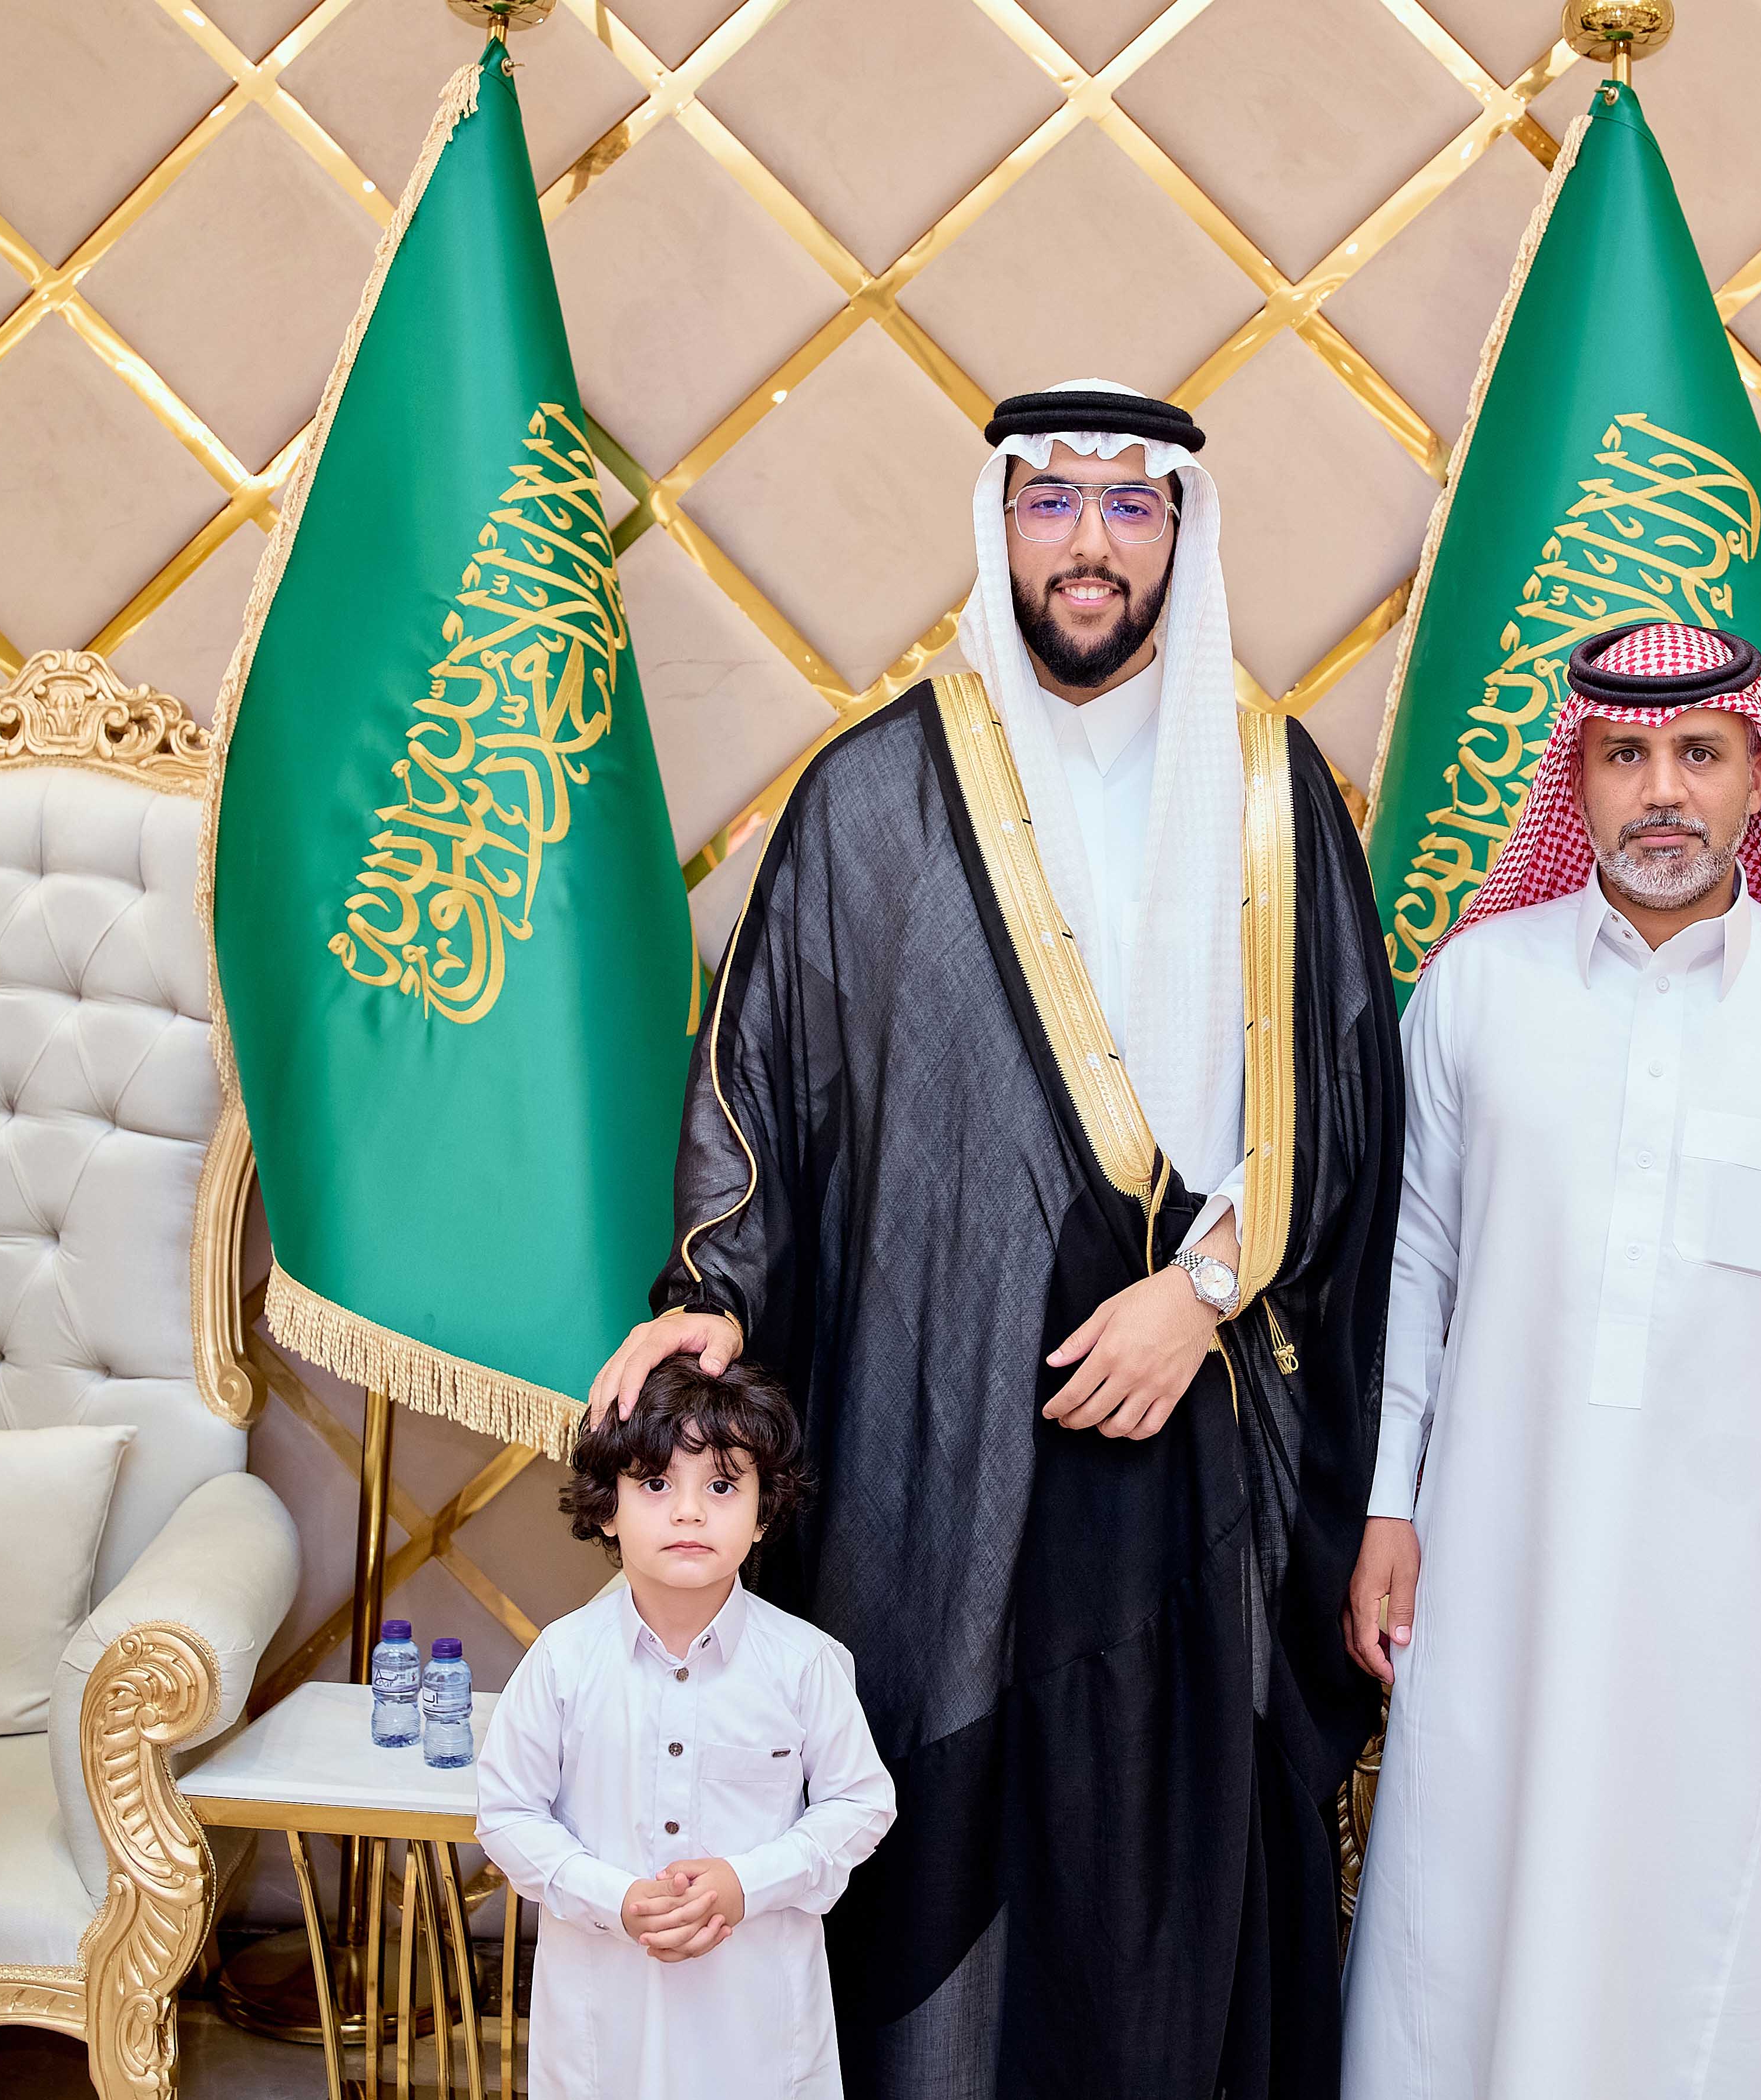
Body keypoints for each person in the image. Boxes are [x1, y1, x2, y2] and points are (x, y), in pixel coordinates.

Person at [583, 381, 1405, 2098]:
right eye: (1052, 501)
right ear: (1000, 523)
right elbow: (768, 1082)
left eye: (1128, 503)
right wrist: (710, 1299)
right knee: (943, 1875)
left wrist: (1194, 1295)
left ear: (1178, 531)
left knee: (1165, 1893)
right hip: (943, 1447)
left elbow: (1343, 1112)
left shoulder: (1272, 795)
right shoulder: (871, 797)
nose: (1088, 542)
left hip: (1188, 1447)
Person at [1336, 620, 1761, 2099]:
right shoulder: (1476, 986)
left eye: (1699, 752)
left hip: (1745, 1582)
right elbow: (1411, 1270)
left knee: (1698, 1905)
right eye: (1624, 755)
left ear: (1757, 775)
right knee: (1468, 1884)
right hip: (1498, 1551)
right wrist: (1386, 1502)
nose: (1662, 789)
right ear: (1579, 779)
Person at [478, 1358, 894, 2099]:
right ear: (608, 1507)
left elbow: (861, 1803)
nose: (690, 1512)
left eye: (723, 1486)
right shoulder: (562, 1661)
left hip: (757, 2023)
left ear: (763, 1514)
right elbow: (507, 1812)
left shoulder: (806, 1662)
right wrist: (612, 1897)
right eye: (656, 1483)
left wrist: (747, 1882)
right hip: (603, 2022)